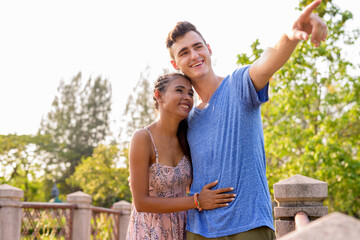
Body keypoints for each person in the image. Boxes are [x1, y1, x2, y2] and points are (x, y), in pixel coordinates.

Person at [165, 1, 327, 239]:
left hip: (249, 225)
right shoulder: (185, 118)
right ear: (175, 64)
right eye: (184, 52)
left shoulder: (238, 84)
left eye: (198, 47)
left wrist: (290, 36)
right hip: (198, 230)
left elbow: (266, 63)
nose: (194, 55)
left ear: (209, 49)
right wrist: (196, 200)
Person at [126, 73, 236, 240]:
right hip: (149, 231)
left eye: (190, 94)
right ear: (159, 95)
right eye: (180, 90)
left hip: (184, 229)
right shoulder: (142, 138)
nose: (187, 97)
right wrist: (196, 201)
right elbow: (141, 202)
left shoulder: (189, 137)